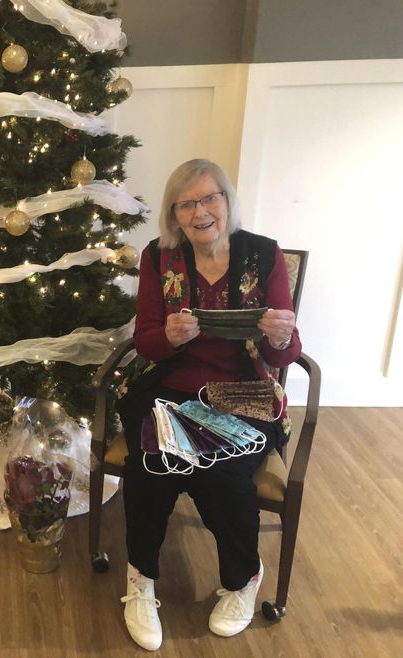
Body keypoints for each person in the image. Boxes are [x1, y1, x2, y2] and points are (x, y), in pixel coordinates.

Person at [116, 159, 300, 651]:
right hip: (168, 385)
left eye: (210, 198)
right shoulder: (159, 257)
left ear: (227, 201)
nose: (201, 212)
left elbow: (287, 352)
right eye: (187, 203)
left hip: (243, 392)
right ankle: (140, 580)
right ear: (174, 215)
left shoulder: (263, 254)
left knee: (221, 475)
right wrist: (169, 337)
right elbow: (146, 342)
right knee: (151, 465)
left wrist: (281, 336)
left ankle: (243, 579)